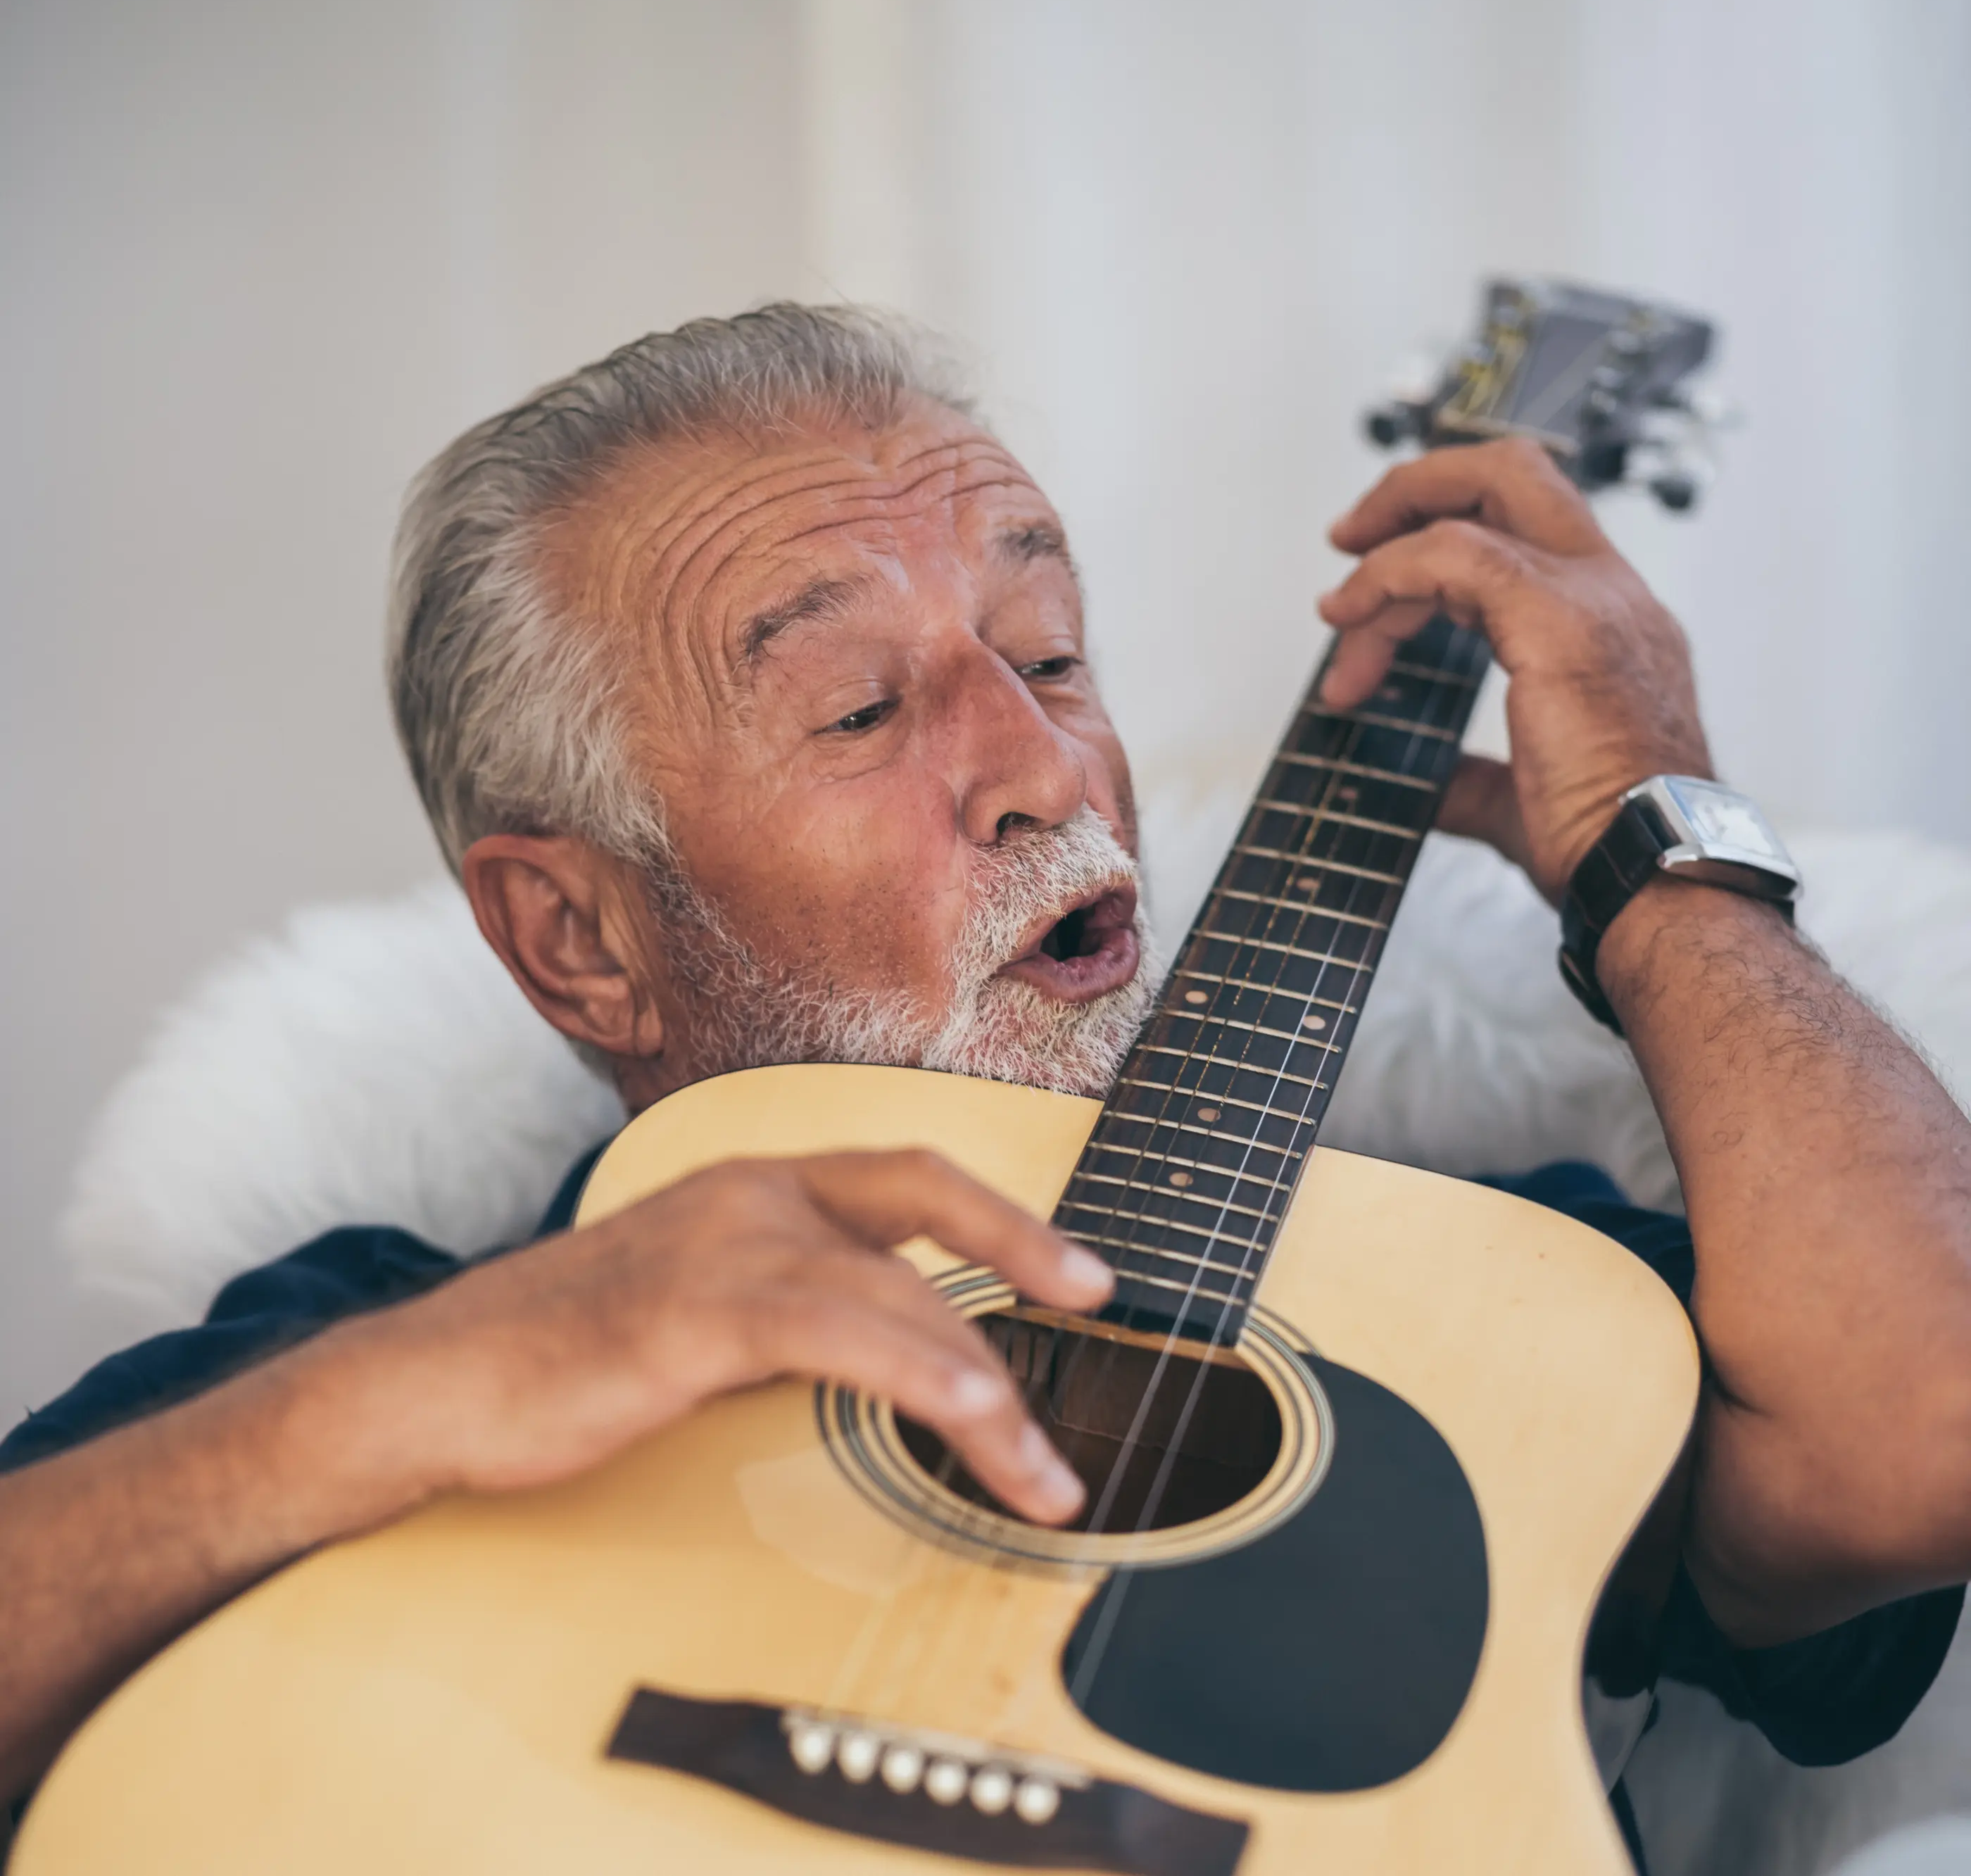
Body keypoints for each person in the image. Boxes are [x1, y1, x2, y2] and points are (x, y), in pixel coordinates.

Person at [4, 306, 1970, 1866]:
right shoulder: (379, 1342)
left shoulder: (1522, 1314)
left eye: (1051, 648)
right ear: (581, 940)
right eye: (859, 709)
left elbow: (1929, 1420)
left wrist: (1661, 847)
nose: (1047, 766)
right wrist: (406, 1397)